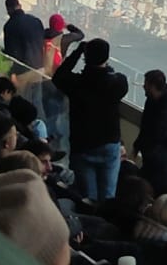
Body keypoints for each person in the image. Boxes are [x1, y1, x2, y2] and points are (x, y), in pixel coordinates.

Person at [52, 38, 128, 203]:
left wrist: (77, 52)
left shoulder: (76, 83)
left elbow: (58, 76)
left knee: (87, 199)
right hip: (109, 143)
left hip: (82, 146)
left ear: (86, 57)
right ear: (106, 58)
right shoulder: (117, 84)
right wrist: (106, 68)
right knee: (108, 198)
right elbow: (116, 76)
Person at [2, 0, 46, 72]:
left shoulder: (9, 26)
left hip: (22, 70)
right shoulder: (36, 20)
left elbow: (10, 52)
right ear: (20, 6)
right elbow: (42, 42)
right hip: (39, 67)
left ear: (8, 9)